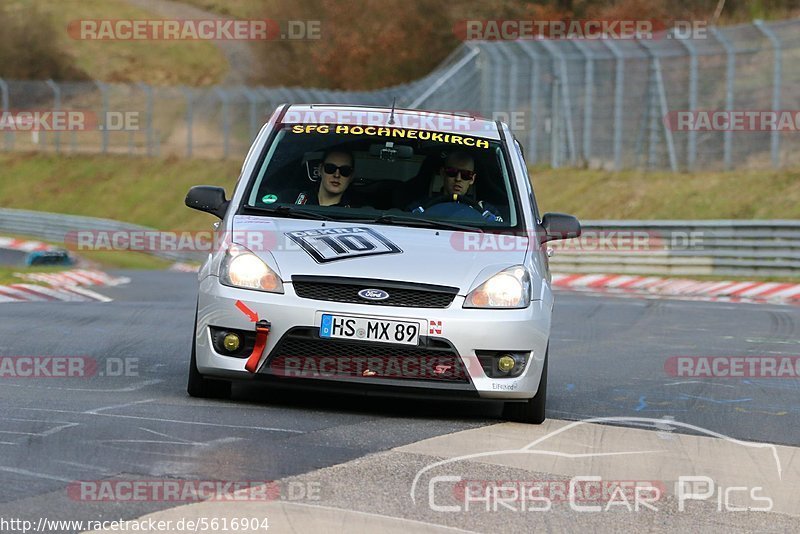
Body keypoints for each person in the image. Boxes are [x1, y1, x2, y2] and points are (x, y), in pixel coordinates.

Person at [408, 150, 503, 222]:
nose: (458, 178)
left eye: (466, 175)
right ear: (442, 173)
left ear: (472, 179)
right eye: (452, 172)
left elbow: (499, 231)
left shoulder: (486, 210)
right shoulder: (421, 206)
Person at [284, 149, 357, 207]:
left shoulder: (357, 212)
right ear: (319, 170)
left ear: (351, 176)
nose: (337, 175)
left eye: (345, 170)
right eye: (330, 168)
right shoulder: (290, 199)